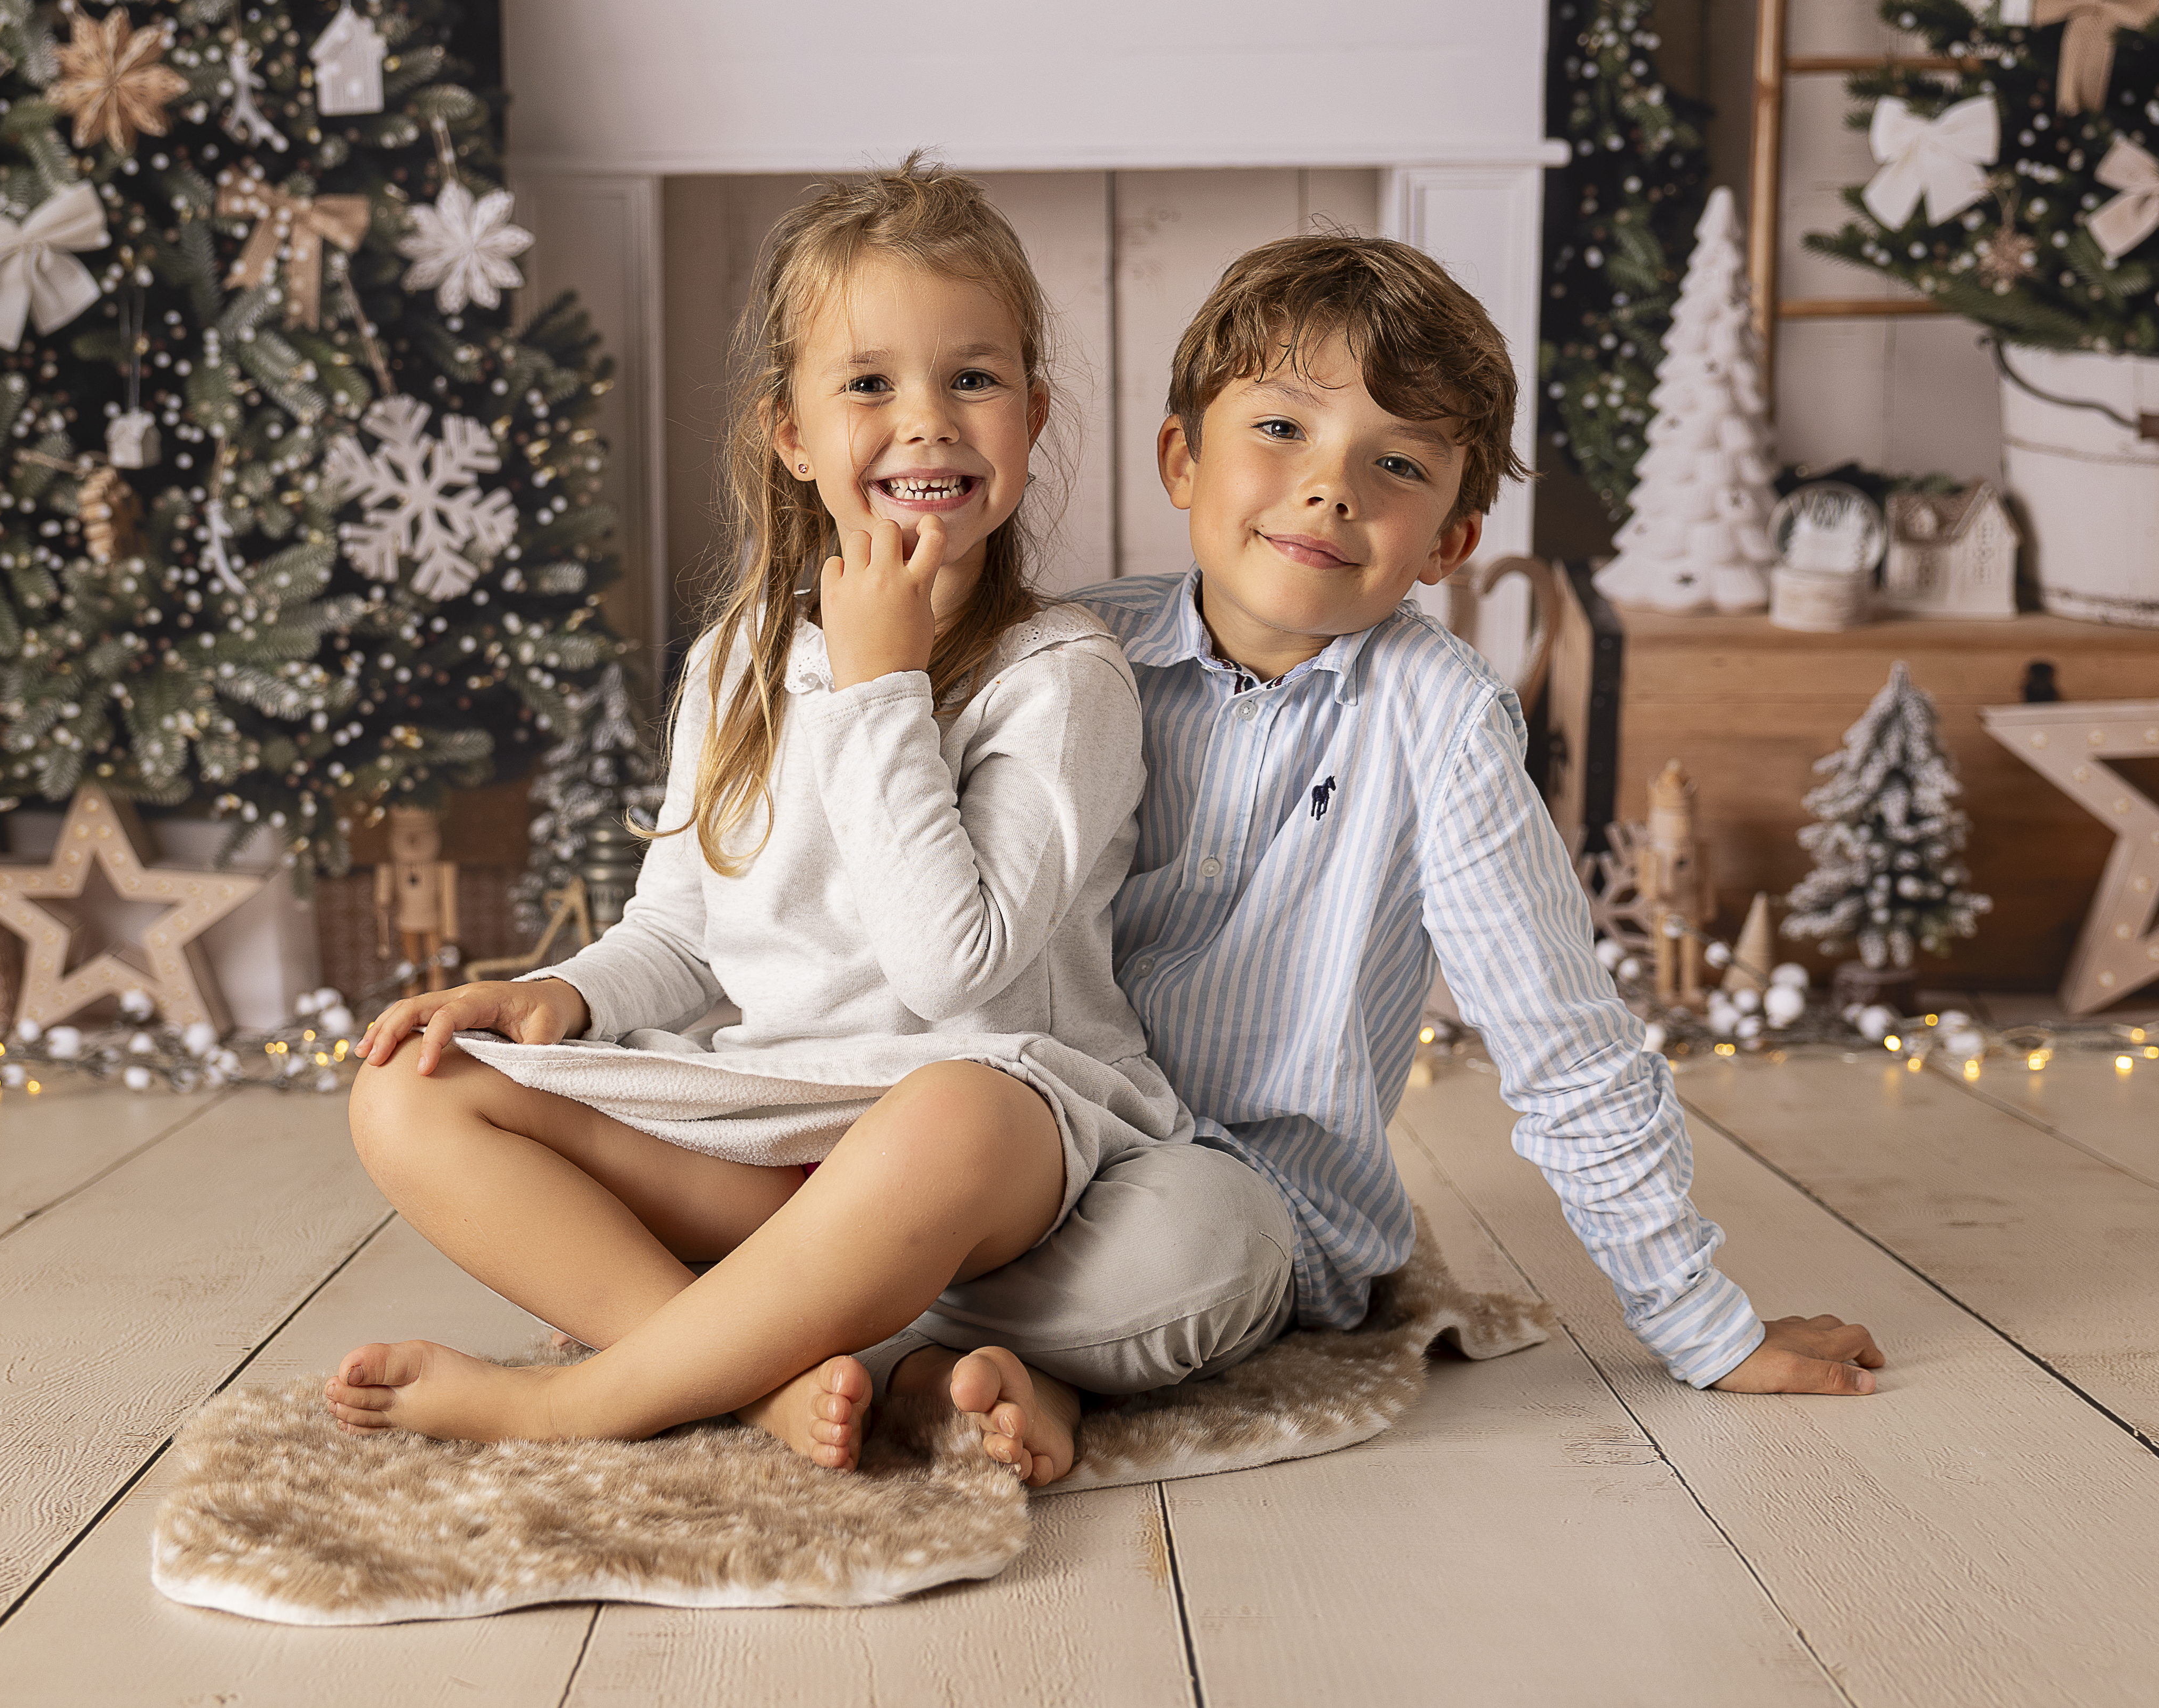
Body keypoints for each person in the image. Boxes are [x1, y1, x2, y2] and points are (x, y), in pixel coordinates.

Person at [847, 232, 1887, 1484]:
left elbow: (1564, 1038)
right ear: (1182, 455)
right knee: (853, 1147)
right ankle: (1005, 1361)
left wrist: (1700, 1323)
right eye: (1281, 430)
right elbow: (899, 887)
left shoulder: (1441, 724)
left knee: (1198, 1258)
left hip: (1242, 1198)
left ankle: (873, 1338)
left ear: (1448, 540)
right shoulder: (1067, 652)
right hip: (1018, 1144)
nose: (1330, 490)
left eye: (1394, 465)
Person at [324, 159, 1198, 1477]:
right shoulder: (739, 657)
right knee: (408, 1091)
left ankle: (585, 1400)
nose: (927, 422)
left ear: (1031, 416)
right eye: (868, 384)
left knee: (949, 1106)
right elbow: (683, 932)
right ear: (791, 433)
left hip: (989, 1140)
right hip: (769, 1128)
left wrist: (881, 682)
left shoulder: (1060, 675)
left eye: (973, 378)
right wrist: (558, 994)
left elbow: (953, 970)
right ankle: (750, 1380)